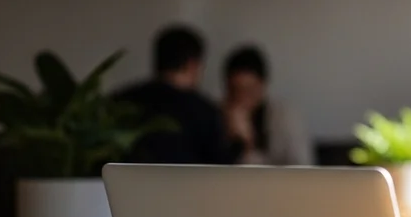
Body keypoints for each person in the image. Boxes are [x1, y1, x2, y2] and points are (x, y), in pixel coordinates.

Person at [115, 24, 236, 165]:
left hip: (130, 185)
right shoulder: (204, 111)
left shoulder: (122, 101)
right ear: (193, 64)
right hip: (187, 186)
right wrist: (239, 142)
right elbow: (218, 168)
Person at [222, 45, 313, 166]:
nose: (241, 97)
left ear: (262, 85)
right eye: (234, 90)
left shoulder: (285, 117)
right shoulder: (215, 115)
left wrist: (248, 145)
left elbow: (303, 167)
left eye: (249, 90)